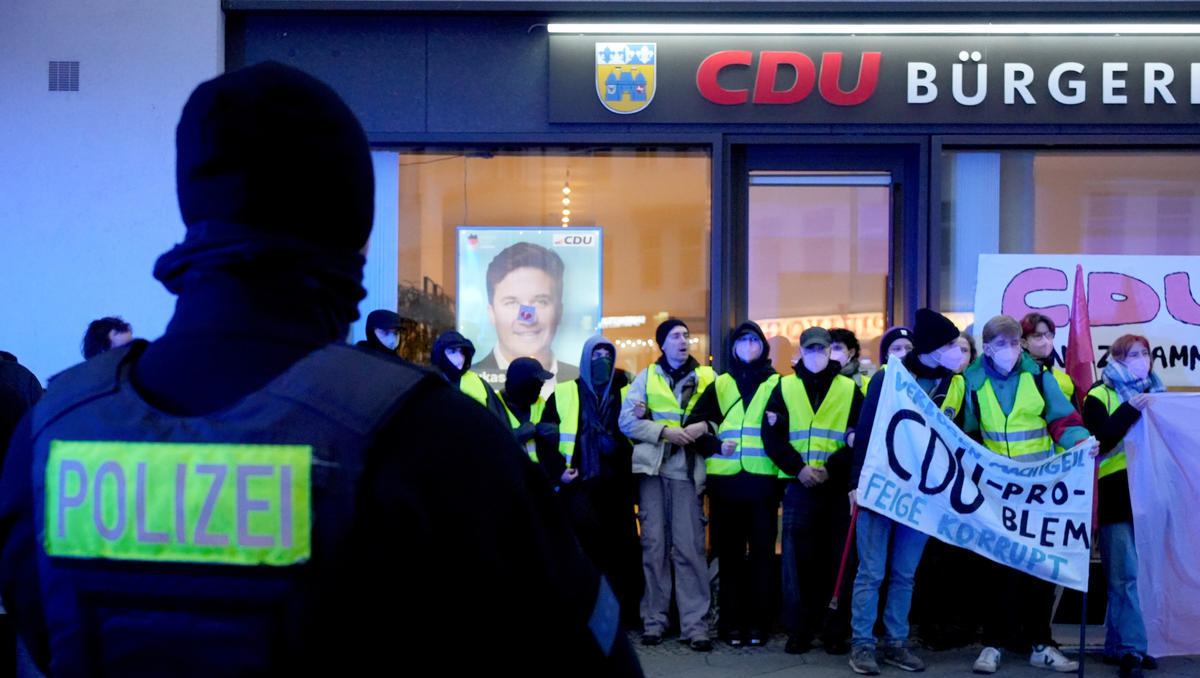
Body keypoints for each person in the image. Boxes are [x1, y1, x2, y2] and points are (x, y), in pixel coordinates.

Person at [0, 62, 641, 678]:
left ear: (193, 210)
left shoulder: (50, 430)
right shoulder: (435, 438)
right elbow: (590, 659)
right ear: (359, 236)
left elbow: (41, 635)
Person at [962, 314, 1098, 675]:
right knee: (996, 569)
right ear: (987, 347)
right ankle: (992, 644)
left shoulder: (1039, 377)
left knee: (1039, 568)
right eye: (999, 344)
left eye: (1012, 343)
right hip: (995, 494)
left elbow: (1063, 421)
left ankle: (1041, 644)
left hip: (1037, 492)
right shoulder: (971, 381)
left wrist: (1082, 443)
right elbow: (967, 434)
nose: (1007, 350)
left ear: (1019, 345)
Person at [846, 309, 966, 676]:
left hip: (923, 495)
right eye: (948, 344)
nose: (955, 351)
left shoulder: (955, 384)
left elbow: (960, 441)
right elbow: (865, 431)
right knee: (871, 571)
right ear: (930, 347)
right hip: (881, 488)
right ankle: (863, 644)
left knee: (904, 573)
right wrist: (855, 483)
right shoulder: (889, 377)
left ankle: (895, 642)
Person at [764, 326, 863, 656]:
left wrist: (830, 470)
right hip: (799, 485)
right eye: (812, 349)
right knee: (796, 564)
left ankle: (835, 632)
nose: (818, 354)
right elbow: (772, 438)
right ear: (801, 352)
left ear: (832, 351)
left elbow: (859, 438)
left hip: (835, 488)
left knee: (838, 562)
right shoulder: (784, 387)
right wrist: (799, 469)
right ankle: (799, 631)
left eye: (824, 349)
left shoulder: (850, 389)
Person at [618, 319, 714, 651]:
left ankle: (695, 626)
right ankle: (654, 622)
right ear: (663, 344)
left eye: (686, 335)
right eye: (675, 336)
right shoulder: (647, 377)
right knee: (654, 548)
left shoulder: (707, 378)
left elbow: (723, 416)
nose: (683, 340)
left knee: (690, 550)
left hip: (688, 473)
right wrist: (662, 431)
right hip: (654, 472)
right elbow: (626, 421)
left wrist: (703, 427)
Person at [686, 321, 779, 649]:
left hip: (763, 485)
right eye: (743, 340)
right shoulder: (720, 384)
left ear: (763, 346)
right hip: (725, 485)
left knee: (763, 556)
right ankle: (731, 625)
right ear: (733, 346)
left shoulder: (777, 383)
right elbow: (691, 428)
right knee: (730, 558)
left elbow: (787, 433)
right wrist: (714, 446)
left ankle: (759, 624)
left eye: (755, 340)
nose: (749, 345)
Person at [543, 335, 642, 630]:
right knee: (584, 553)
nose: (602, 360)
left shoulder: (627, 396)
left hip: (617, 488)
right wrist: (559, 469)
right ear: (586, 359)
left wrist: (637, 422)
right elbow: (546, 438)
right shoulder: (563, 393)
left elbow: (638, 438)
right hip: (580, 486)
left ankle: (624, 617)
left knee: (622, 553)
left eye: (607, 354)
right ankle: (584, 616)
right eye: (596, 354)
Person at [1083, 334, 1162, 678]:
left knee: (1137, 575)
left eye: (1145, 353)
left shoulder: (1157, 394)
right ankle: (1132, 649)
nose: (1141, 359)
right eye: (1133, 354)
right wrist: (1132, 408)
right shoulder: (1099, 395)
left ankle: (1120, 645)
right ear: (1115, 358)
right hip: (1114, 491)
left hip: (1149, 490)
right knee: (1124, 575)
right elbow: (1100, 441)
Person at [472, 242, 579, 400]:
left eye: (540, 301)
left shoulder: (579, 381)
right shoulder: (473, 380)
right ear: (492, 313)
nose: (527, 319)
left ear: (559, 312)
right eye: (511, 302)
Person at [432, 328, 507, 422]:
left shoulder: (477, 382)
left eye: (462, 352)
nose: (459, 358)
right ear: (440, 354)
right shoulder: (428, 384)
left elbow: (498, 422)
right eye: (452, 352)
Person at [498, 356, 557, 472]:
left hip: (539, 478)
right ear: (523, 384)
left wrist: (554, 432)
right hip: (509, 478)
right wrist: (520, 433)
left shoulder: (541, 403)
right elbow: (491, 445)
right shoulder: (494, 405)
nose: (542, 385)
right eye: (537, 382)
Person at [1021, 312, 1076, 405]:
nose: (1046, 341)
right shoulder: (1016, 375)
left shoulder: (1064, 378)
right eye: (1038, 336)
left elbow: (1074, 414)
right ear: (1023, 343)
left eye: (1049, 335)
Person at [859, 326, 913, 396]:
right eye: (897, 349)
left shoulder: (922, 376)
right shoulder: (881, 378)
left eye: (909, 348)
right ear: (886, 355)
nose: (904, 353)